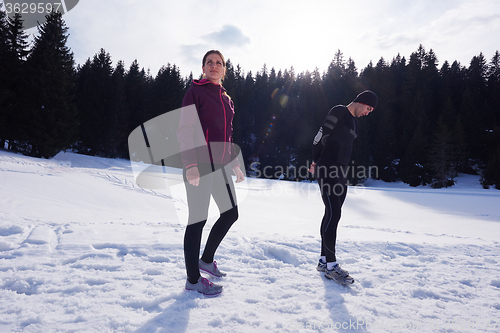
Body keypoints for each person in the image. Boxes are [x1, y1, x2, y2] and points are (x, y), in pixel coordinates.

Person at [177, 50, 245, 296]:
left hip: (221, 166)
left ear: (224, 69)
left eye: (219, 63)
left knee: (230, 213)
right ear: (203, 67)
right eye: (210, 62)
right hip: (200, 164)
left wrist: (234, 163)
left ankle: (206, 260)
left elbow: (227, 136)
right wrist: (190, 164)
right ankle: (193, 280)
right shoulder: (195, 92)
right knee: (197, 219)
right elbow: (184, 130)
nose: (214, 66)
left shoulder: (227, 99)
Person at [309, 90, 378, 285]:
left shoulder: (355, 123)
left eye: (371, 110)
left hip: (341, 173)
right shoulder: (339, 111)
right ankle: (331, 266)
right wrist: (316, 161)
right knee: (334, 213)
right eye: (368, 108)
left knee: (331, 214)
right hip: (327, 169)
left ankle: (323, 261)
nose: (368, 112)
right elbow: (319, 137)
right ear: (360, 102)